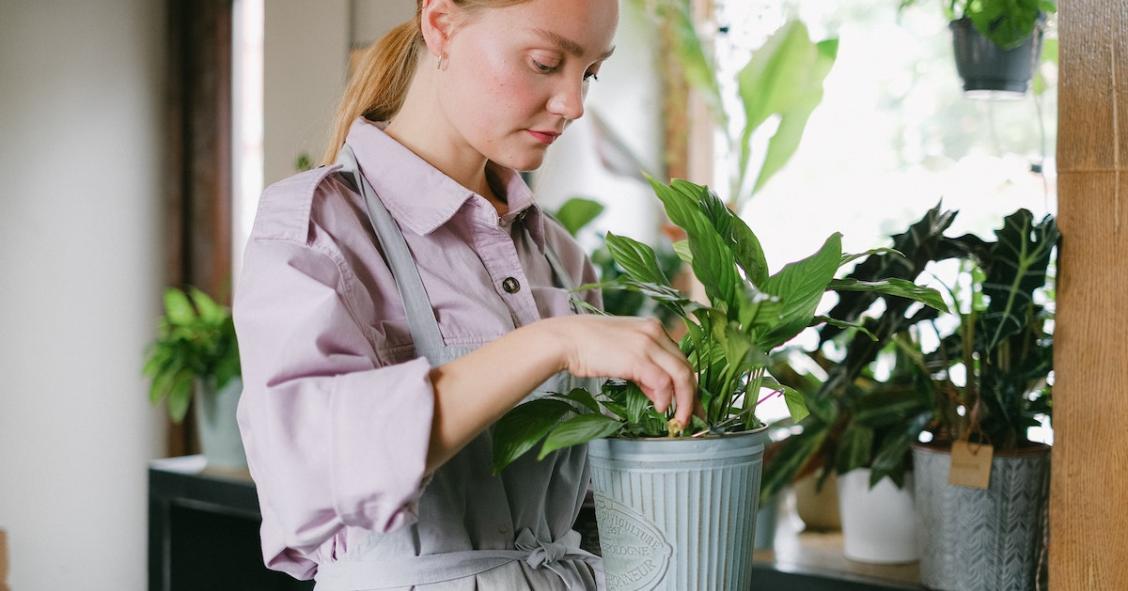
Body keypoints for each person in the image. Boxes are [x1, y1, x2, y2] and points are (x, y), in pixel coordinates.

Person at [233, 0, 698, 589]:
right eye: (544, 61)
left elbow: (587, 507)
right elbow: (307, 474)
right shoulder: (318, 227)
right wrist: (551, 342)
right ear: (441, 24)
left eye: (590, 74)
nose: (574, 104)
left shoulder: (556, 253)